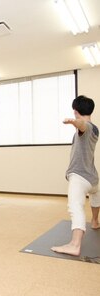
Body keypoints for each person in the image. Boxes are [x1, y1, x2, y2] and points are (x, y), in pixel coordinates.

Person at [52, 95, 100, 256]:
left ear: (75, 111)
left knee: (75, 207)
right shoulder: (95, 129)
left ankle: (75, 245)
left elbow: (82, 124)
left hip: (80, 176)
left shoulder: (85, 126)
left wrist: (74, 122)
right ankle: (95, 221)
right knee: (96, 194)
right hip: (93, 177)